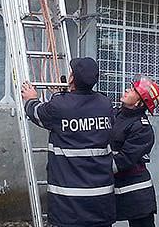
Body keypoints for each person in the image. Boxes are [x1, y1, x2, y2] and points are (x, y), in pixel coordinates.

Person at [21, 57, 115, 227]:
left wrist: (30, 98)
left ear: (71, 79)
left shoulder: (60, 106)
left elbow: (36, 113)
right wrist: (62, 96)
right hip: (101, 202)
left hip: (69, 205)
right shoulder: (106, 104)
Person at [112, 76, 159, 227]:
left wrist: (92, 169)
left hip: (137, 195)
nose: (128, 90)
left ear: (139, 102)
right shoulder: (116, 114)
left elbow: (124, 160)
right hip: (115, 187)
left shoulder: (142, 128)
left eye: (134, 90)